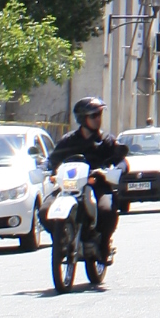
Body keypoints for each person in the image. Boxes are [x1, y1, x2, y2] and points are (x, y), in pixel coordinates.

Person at [47, 96, 129, 262]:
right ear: (83, 118)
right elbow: (52, 160)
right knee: (45, 210)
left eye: (99, 115)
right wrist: (45, 169)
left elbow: (121, 161)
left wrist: (118, 170)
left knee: (106, 210)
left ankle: (104, 244)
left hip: (97, 186)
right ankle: (62, 239)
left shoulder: (106, 140)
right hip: (68, 186)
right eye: (94, 115)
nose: (98, 119)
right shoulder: (68, 140)